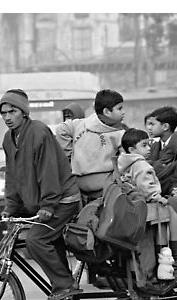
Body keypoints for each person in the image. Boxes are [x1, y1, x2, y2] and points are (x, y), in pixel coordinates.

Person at [0, 89, 82, 300]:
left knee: (36, 240)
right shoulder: (9, 138)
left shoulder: (38, 132)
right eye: (4, 113)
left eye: (12, 111)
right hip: (43, 201)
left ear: (23, 112)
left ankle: (65, 285)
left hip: (63, 199)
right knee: (50, 243)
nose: (7, 117)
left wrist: (48, 205)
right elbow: (12, 175)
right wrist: (11, 206)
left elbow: (48, 172)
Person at [55, 89, 127, 289]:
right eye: (120, 109)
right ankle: (98, 270)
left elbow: (127, 158)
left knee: (102, 233)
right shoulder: (81, 125)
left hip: (103, 192)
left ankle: (104, 271)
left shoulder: (120, 133)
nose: (123, 113)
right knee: (85, 233)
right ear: (106, 111)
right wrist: (70, 155)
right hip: (82, 193)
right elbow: (60, 131)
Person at [118, 128, 177, 269]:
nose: (149, 148)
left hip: (134, 204)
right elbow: (146, 185)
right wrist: (156, 196)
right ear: (131, 149)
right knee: (171, 213)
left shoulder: (124, 163)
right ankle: (171, 255)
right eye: (144, 145)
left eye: (149, 144)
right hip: (148, 204)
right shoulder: (141, 164)